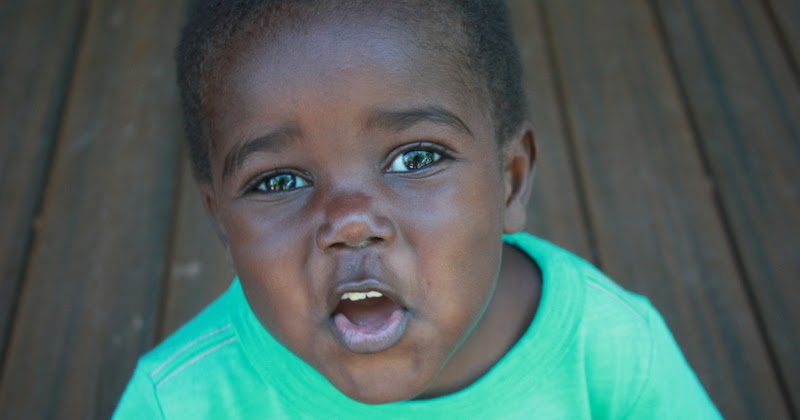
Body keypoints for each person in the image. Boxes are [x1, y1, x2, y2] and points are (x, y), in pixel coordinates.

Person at [114, 0, 721, 417]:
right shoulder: (182, 401)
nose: (350, 221)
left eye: (415, 158)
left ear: (510, 181)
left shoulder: (612, 353)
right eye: (278, 181)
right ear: (220, 219)